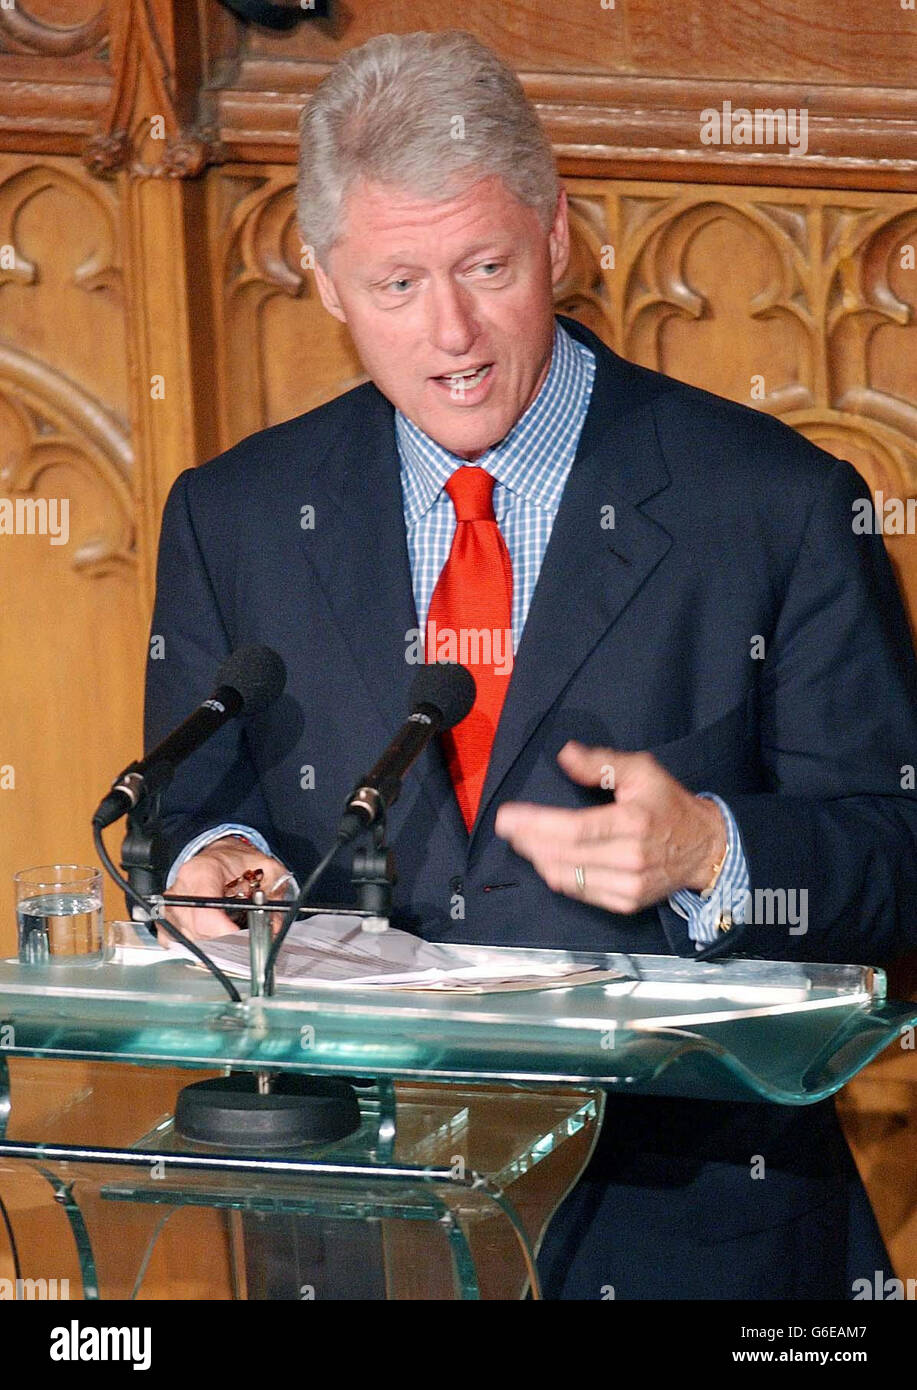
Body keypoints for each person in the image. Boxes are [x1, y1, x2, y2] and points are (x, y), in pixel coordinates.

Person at [146, 30, 917, 1298]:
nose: (450, 330)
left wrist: (713, 851)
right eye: (397, 283)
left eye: (486, 267)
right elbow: (190, 803)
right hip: (355, 1225)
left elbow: (895, 851)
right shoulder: (235, 516)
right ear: (324, 281)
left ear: (556, 238)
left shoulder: (773, 503)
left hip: (688, 1232)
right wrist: (210, 861)